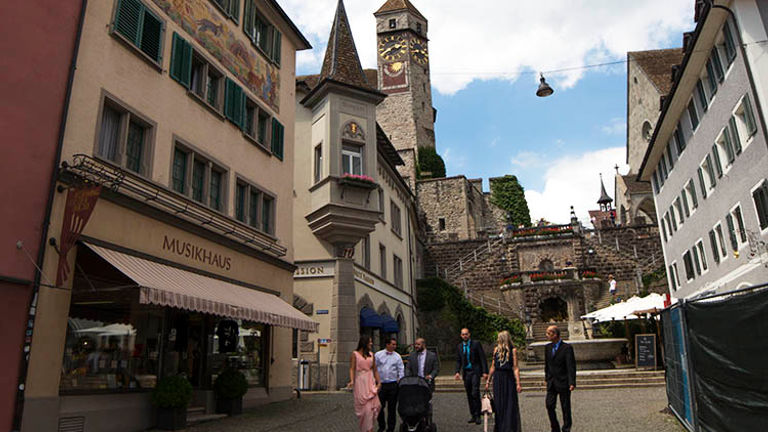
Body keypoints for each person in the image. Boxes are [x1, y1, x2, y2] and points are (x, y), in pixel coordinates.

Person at [485, 331, 521, 432]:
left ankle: (509, 427)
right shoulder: (496, 350)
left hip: (508, 378)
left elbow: (515, 368)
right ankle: (500, 427)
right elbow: (493, 366)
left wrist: (518, 383)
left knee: (509, 403)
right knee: (499, 403)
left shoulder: (513, 350)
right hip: (498, 378)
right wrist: (488, 380)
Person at [544, 325, 576, 432]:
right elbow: (547, 365)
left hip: (563, 381)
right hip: (552, 381)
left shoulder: (567, 348)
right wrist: (547, 378)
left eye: (549, 333)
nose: (547, 335)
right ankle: (555, 427)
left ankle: (566, 428)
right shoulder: (547, 347)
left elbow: (571, 366)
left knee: (565, 407)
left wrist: (572, 382)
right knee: (549, 405)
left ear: (555, 334)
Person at [454, 328, 488, 425]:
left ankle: (478, 414)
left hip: (475, 371)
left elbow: (482, 357)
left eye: (466, 334)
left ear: (469, 334)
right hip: (466, 372)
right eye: (463, 334)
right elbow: (458, 360)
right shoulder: (459, 346)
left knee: (475, 392)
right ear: (461, 335)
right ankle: (473, 414)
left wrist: (485, 371)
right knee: (469, 393)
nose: (465, 336)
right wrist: (457, 371)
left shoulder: (476, 344)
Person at [348, 336, 382, 432]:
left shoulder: (372, 355)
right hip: (360, 382)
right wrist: (352, 380)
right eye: (369, 342)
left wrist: (379, 382)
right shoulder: (355, 354)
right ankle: (367, 429)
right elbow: (352, 368)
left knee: (375, 406)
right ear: (364, 343)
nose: (371, 344)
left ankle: (369, 428)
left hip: (370, 381)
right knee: (365, 410)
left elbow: (375, 370)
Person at [375, 337, 404, 432]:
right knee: (379, 407)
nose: (395, 346)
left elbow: (401, 369)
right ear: (387, 344)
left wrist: (400, 379)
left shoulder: (397, 356)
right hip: (381, 385)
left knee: (392, 408)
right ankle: (381, 426)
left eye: (395, 344)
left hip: (393, 385)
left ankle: (391, 428)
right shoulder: (378, 355)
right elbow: (374, 368)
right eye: (393, 344)